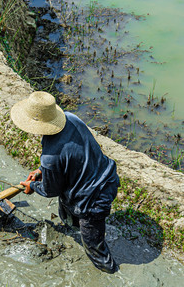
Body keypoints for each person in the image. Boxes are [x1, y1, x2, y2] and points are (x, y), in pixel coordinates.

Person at [10, 91, 120, 274]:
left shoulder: (50, 157)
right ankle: (77, 232)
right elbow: (70, 157)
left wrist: (33, 186)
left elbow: (50, 190)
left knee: (94, 247)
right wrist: (41, 171)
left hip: (93, 199)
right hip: (105, 175)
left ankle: (111, 272)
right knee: (68, 212)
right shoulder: (71, 118)